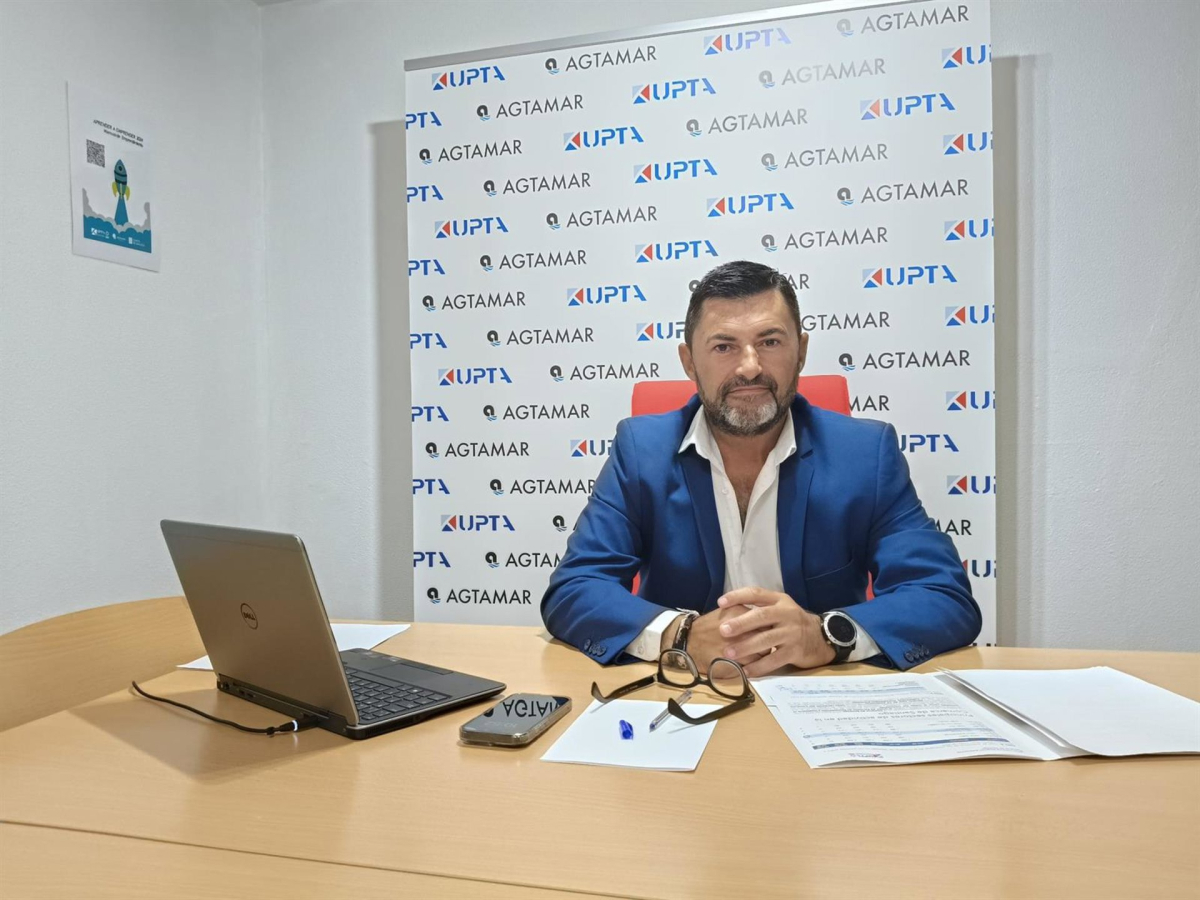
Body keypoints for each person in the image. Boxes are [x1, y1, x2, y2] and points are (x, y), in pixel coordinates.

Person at [541, 260, 980, 675]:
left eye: (770, 342)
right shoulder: (642, 451)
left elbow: (942, 595)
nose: (749, 367)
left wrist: (826, 635)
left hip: (817, 692)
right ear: (689, 362)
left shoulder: (866, 454)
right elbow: (576, 588)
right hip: (684, 692)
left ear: (801, 351)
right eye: (723, 346)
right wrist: (680, 636)